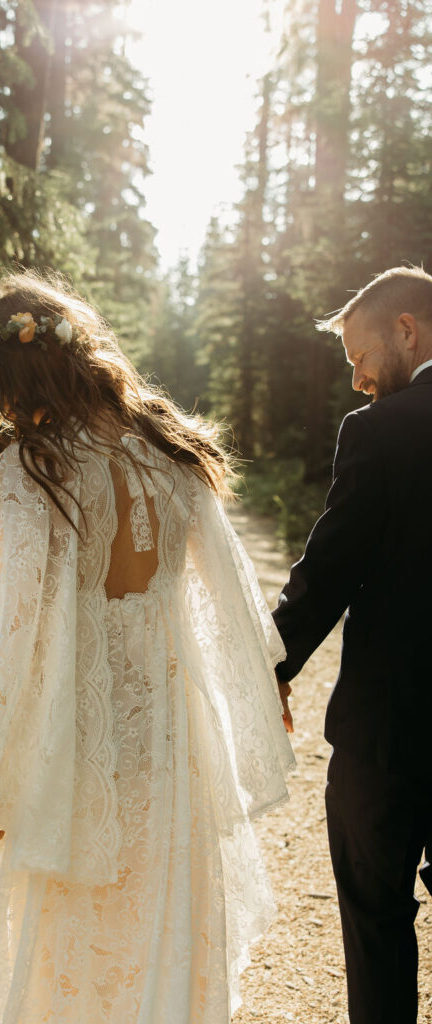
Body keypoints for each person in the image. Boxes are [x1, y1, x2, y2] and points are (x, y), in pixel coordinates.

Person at [0, 270, 294, 1024]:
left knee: (58, 945)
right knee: (158, 920)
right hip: (174, 742)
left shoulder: (30, 472)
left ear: (20, 374)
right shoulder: (174, 453)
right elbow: (231, 616)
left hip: (67, 744)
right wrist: (261, 701)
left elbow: (13, 641)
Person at [272, 265, 432, 1024]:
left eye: (360, 357)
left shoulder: (380, 432)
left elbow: (330, 567)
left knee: (375, 918)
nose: (358, 379)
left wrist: (270, 666)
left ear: (406, 330)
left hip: (389, 731)